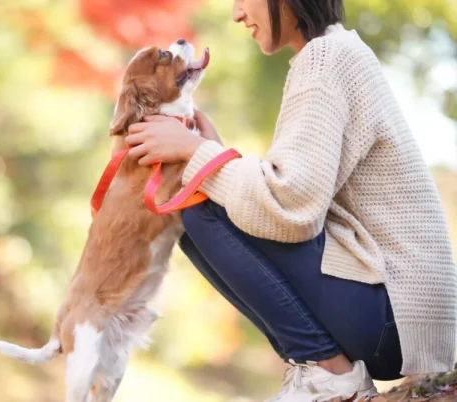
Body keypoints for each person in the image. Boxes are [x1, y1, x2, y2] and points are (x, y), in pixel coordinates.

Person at [123, 0, 457, 401]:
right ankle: (317, 368)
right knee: (197, 206)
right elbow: (296, 190)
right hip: (399, 324)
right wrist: (212, 155)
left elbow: (292, 209)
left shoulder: (324, 58)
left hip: (394, 322)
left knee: (198, 207)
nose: (236, 14)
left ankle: (328, 372)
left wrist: (197, 152)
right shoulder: (336, 52)